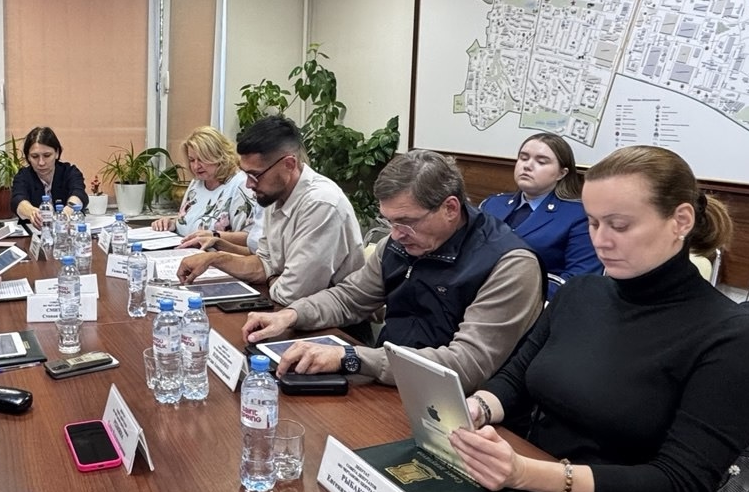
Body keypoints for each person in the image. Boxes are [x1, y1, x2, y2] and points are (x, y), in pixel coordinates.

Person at [449, 146, 749, 492]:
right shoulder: (580, 293)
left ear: (681, 221)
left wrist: (526, 473)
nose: (600, 241)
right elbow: (516, 379)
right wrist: (476, 408)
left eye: (619, 226)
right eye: (592, 223)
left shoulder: (735, 338)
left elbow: (680, 486)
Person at [241, 149, 544, 392]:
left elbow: (465, 365)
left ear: (450, 208)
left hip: (463, 408)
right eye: (389, 221)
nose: (396, 234)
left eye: (406, 222)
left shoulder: (509, 265)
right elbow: (350, 297)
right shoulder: (399, 244)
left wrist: (354, 357)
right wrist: (291, 315)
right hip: (391, 381)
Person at [177, 116, 362, 304]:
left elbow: (292, 293)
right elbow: (263, 263)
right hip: (291, 309)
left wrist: (272, 276)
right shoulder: (274, 194)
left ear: (288, 165)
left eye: (255, 175)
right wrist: (213, 260)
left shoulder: (321, 204)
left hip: (334, 319)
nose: (248, 184)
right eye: (246, 174)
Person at [479, 133, 601, 282]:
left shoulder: (578, 215)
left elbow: (579, 279)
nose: (527, 166)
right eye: (523, 158)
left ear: (561, 173)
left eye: (541, 162)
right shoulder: (492, 204)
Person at [151, 126, 257, 236]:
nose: (196, 166)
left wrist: (214, 237)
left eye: (202, 159)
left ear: (219, 156)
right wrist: (172, 224)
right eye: (192, 160)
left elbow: (249, 238)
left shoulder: (241, 184)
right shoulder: (197, 183)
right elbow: (189, 224)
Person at [11, 126, 88, 228]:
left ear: (57, 153)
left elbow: (79, 193)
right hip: (35, 232)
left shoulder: (70, 172)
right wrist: (31, 212)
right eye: (35, 156)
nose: (41, 163)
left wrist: (68, 211)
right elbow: (17, 200)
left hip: (67, 231)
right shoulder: (23, 176)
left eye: (47, 155)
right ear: (28, 157)